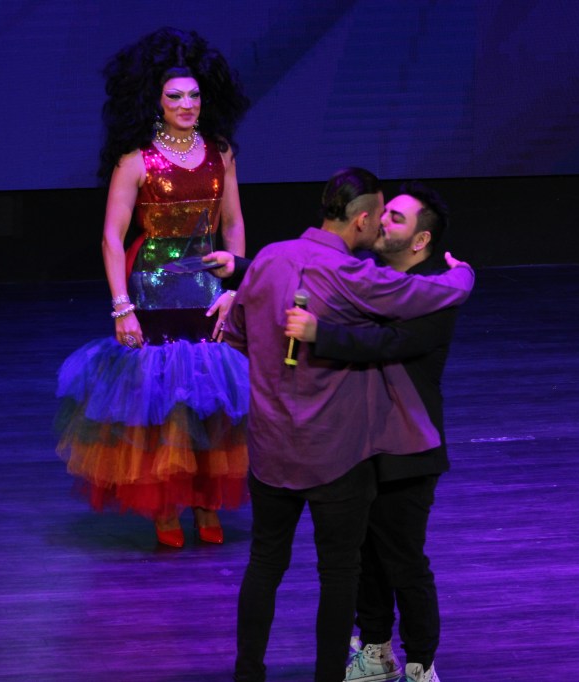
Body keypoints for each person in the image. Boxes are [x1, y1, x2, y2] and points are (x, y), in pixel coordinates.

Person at [222, 168, 474, 681]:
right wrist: (464, 276)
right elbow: (425, 296)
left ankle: (250, 673)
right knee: (340, 572)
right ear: (362, 220)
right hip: (334, 454)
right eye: (382, 215)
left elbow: (239, 335)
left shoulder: (270, 258)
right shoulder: (355, 277)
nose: (382, 224)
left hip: (272, 448)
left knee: (266, 563)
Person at [54, 27, 250, 548]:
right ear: (157, 103)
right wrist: (122, 307)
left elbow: (233, 223)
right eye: (175, 96)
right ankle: (165, 506)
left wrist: (235, 283)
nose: (187, 104)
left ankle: (206, 501)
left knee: (213, 397)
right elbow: (111, 238)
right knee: (161, 398)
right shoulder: (136, 159)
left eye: (194, 95)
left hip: (206, 288)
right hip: (153, 289)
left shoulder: (221, 152)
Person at [285, 182, 455, 682]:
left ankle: (421, 665)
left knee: (403, 559)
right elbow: (306, 272)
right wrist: (241, 274)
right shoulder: (368, 277)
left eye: (397, 218)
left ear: (420, 240)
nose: (383, 222)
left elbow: (387, 342)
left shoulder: (435, 292)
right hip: (360, 442)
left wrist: (321, 334)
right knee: (365, 557)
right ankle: (377, 652)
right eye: (384, 214)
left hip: (409, 444)